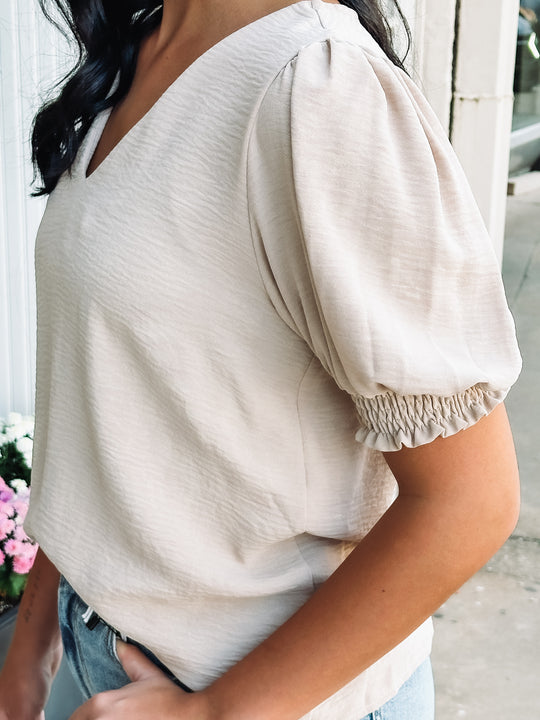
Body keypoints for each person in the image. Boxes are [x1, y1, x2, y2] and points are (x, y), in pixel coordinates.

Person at [0, 0, 522, 718]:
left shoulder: (319, 85)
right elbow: (107, 402)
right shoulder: (141, 44)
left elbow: (470, 499)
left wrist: (212, 713)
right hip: (95, 657)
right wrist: (33, 642)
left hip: (264, 696)